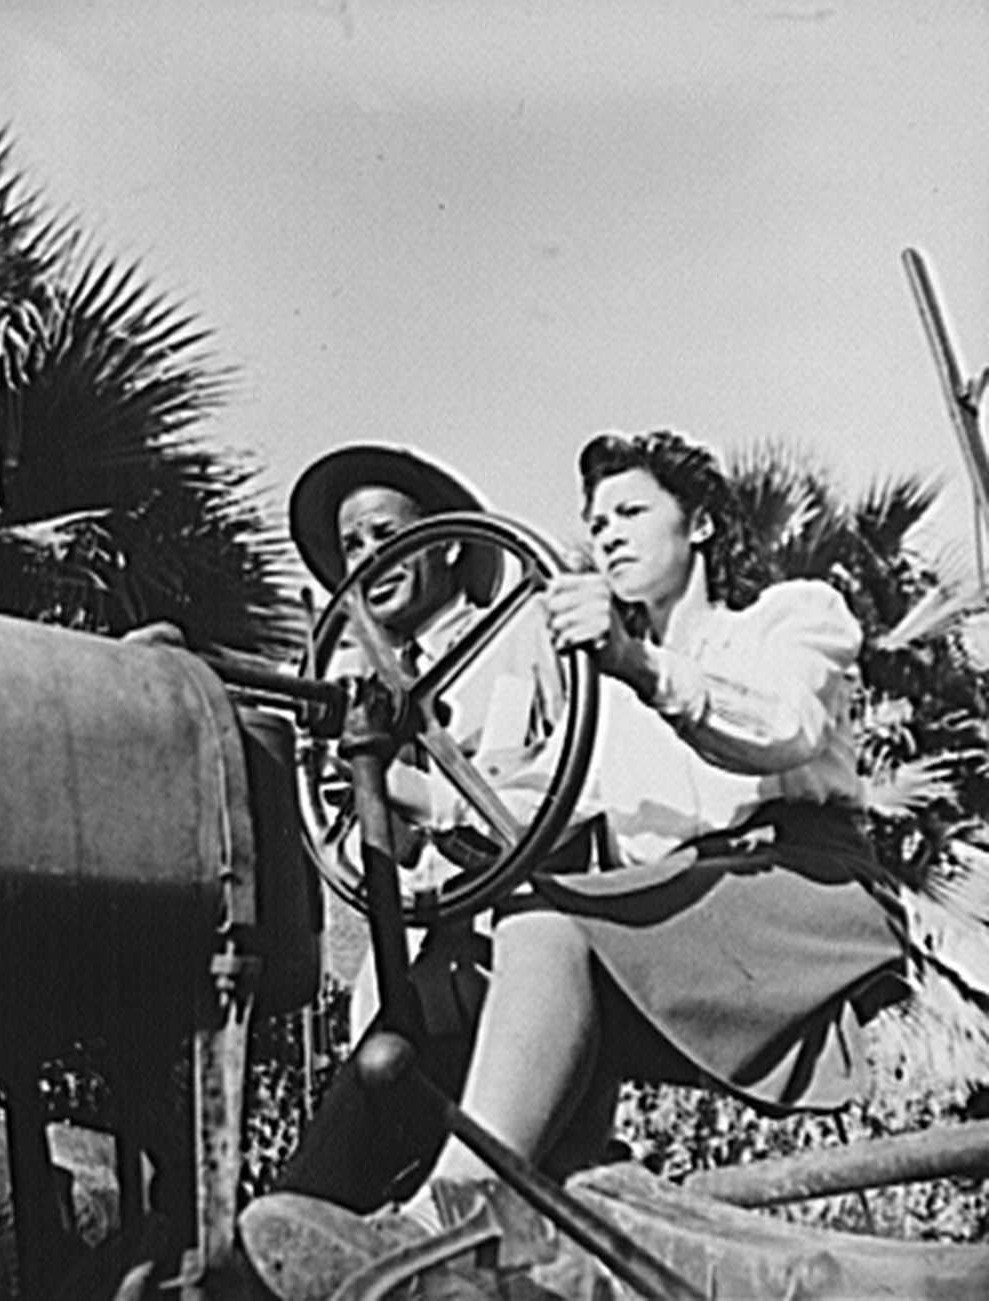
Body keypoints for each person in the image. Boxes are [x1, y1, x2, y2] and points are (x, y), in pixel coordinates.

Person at [240, 428, 908, 1297]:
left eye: (632, 511)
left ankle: (449, 1217)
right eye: (596, 523)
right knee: (457, 997)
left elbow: (785, 727)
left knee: (548, 922)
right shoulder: (606, 704)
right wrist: (380, 775)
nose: (610, 535)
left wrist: (638, 661)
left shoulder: (790, 618)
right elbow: (516, 809)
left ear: (699, 523)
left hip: (802, 904)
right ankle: (362, 1251)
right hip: (676, 925)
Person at [278, 442, 566, 1207]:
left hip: (520, 988)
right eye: (353, 546)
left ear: (441, 542)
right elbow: (361, 855)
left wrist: (409, 787)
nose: (372, 557)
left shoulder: (522, 633)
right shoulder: (354, 682)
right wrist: (359, 768)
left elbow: (564, 801)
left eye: (387, 533)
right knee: (315, 1206)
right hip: (405, 993)